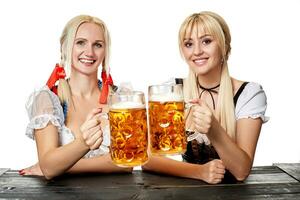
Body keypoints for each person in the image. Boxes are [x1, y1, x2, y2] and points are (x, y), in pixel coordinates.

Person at [142, 11, 268, 184]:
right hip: (186, 192)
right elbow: (148, 160)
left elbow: (241, 171)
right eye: (188, 44)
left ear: (224, 46)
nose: (197, 51)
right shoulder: (173, 90)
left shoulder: (249, 93)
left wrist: (214, 130)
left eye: (206, 41)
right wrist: (199, 172)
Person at [20, 15, 132, 179]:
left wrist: (61, 165)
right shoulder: (48, 99)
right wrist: (84, 144)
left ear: (105, 51)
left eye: (98, 45)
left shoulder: (121, 97)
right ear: (64, 46)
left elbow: (127, 163)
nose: (89, 52)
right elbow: (49, 168)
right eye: (80, 42)